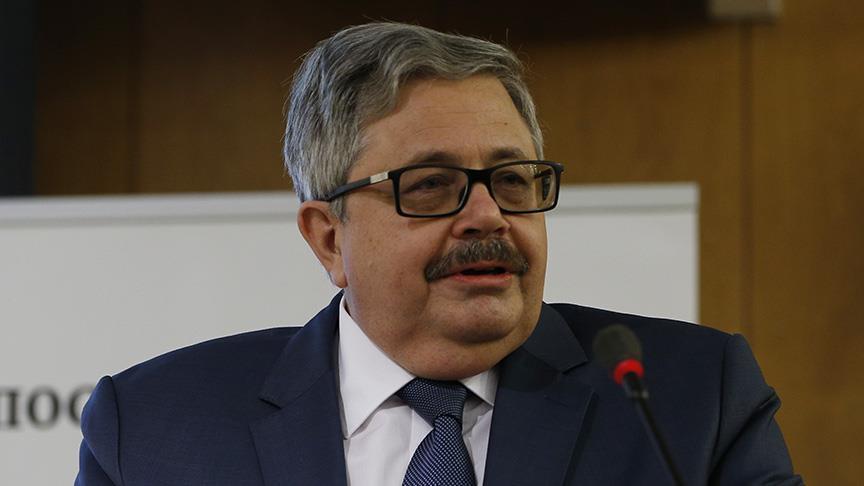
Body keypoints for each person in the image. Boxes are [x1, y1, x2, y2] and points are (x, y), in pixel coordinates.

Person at [76, 22, 802, 485]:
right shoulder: (154, 432)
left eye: (512, 180)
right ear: (329, 237)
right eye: (430, 186)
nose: (487, 215)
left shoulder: (689, 405)